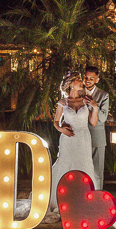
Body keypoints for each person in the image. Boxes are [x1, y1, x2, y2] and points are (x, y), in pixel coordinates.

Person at [49, 71, 98, 210]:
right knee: (66, 165)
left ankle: (84, 199)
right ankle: (63, 199)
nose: (81, 81)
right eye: (77, 79)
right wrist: (61, 130)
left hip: (83, 138)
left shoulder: (86, 100)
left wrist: (94, 107)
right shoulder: (62, 103)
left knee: (84, 165)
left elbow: (93, 122)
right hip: (68, 139)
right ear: (70, 83)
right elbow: (56, 122)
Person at [83, 65, 109, 190]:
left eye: (91, 78)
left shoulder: (103, 95)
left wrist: (94, 106)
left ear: (97, 80)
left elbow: (103, 118)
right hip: (80, 136)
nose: (88, 80)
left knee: (97, 170)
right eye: (86, 77)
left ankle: (97, 194)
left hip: (97, 137)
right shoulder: (78, 92)